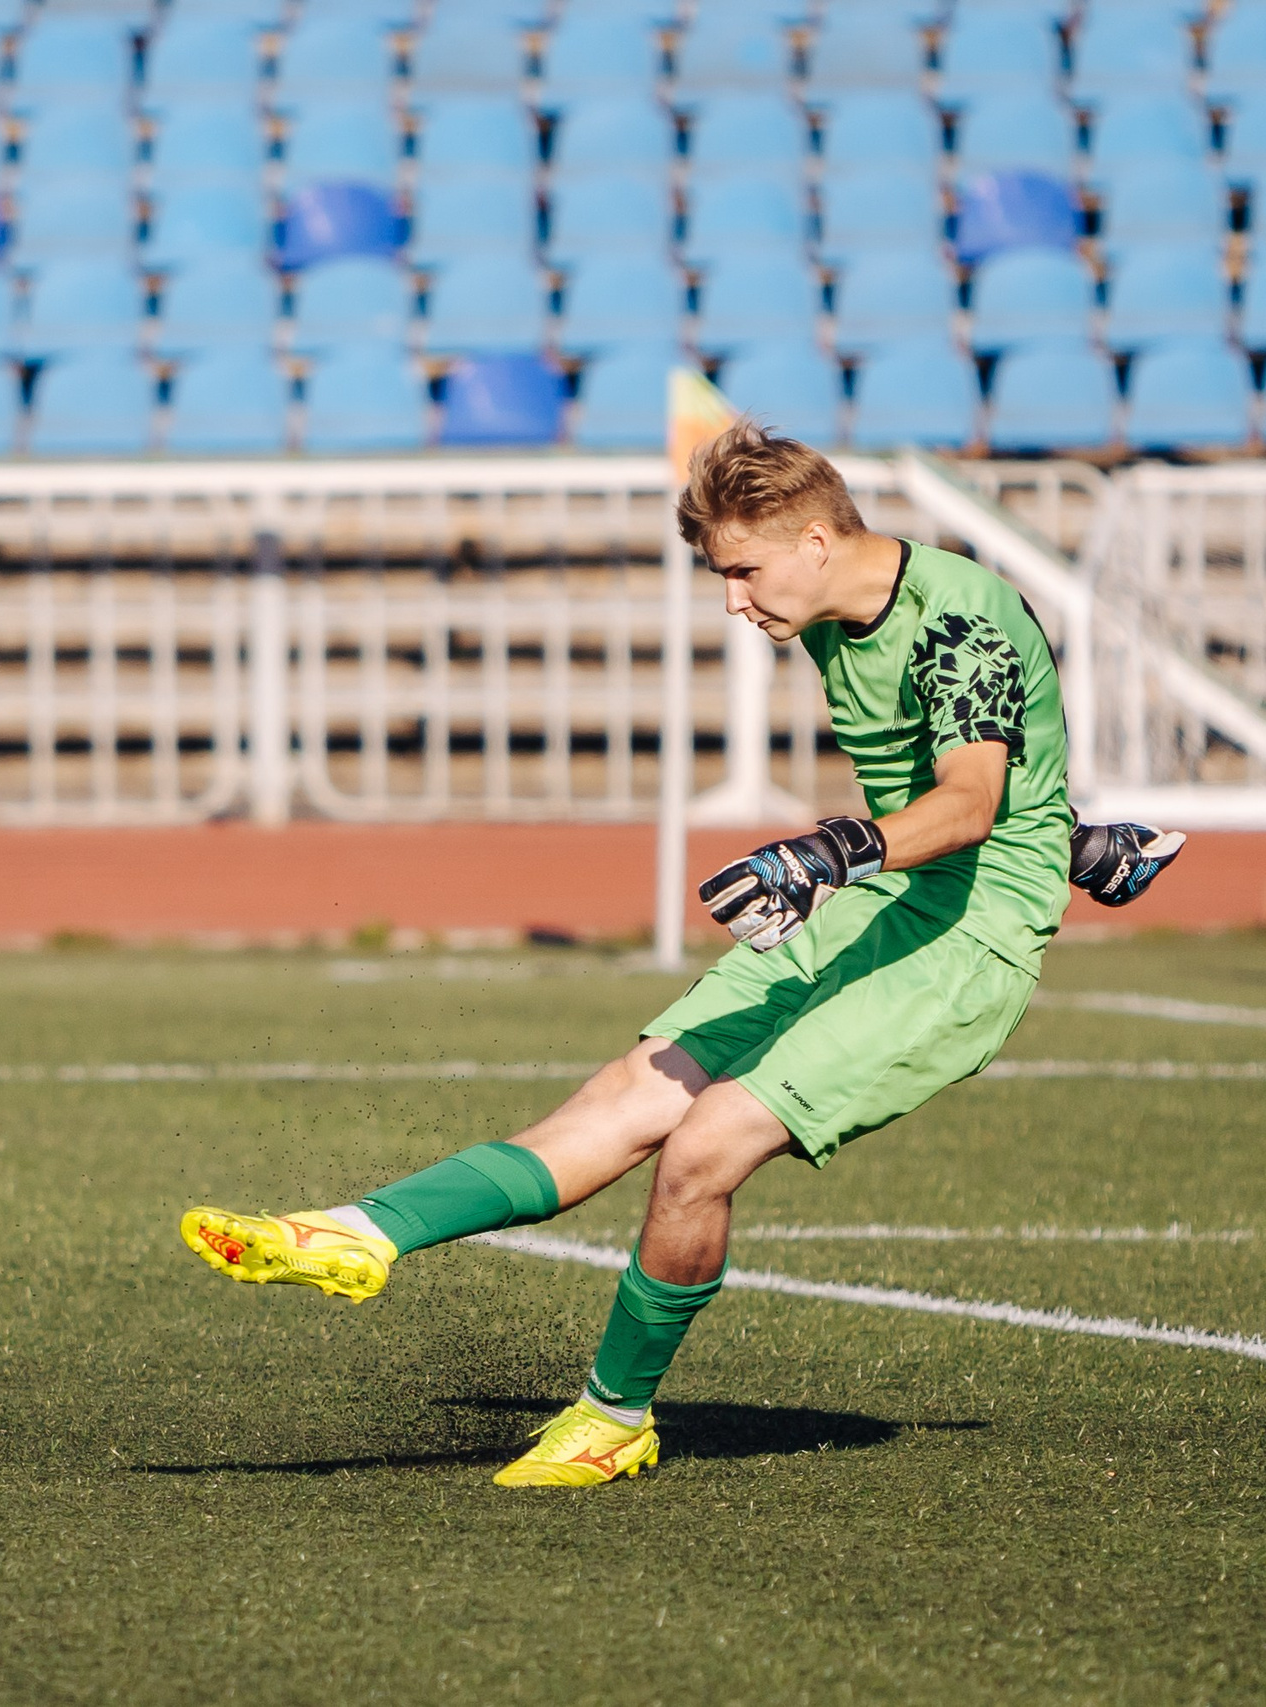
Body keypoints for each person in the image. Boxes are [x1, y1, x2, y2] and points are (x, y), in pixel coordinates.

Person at [176, 421, 1181, 1487]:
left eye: (743, 571)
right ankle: (356, 1233)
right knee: (625, 1097)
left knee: (703, 1147)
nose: (733, 599)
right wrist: (1067, 840)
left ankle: (613, 1419)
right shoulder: (835, 608)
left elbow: (971, 800)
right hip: (880, 897)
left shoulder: (955, 620)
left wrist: (842, 848)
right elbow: (982, 780)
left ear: (814, 541)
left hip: (963, 941)